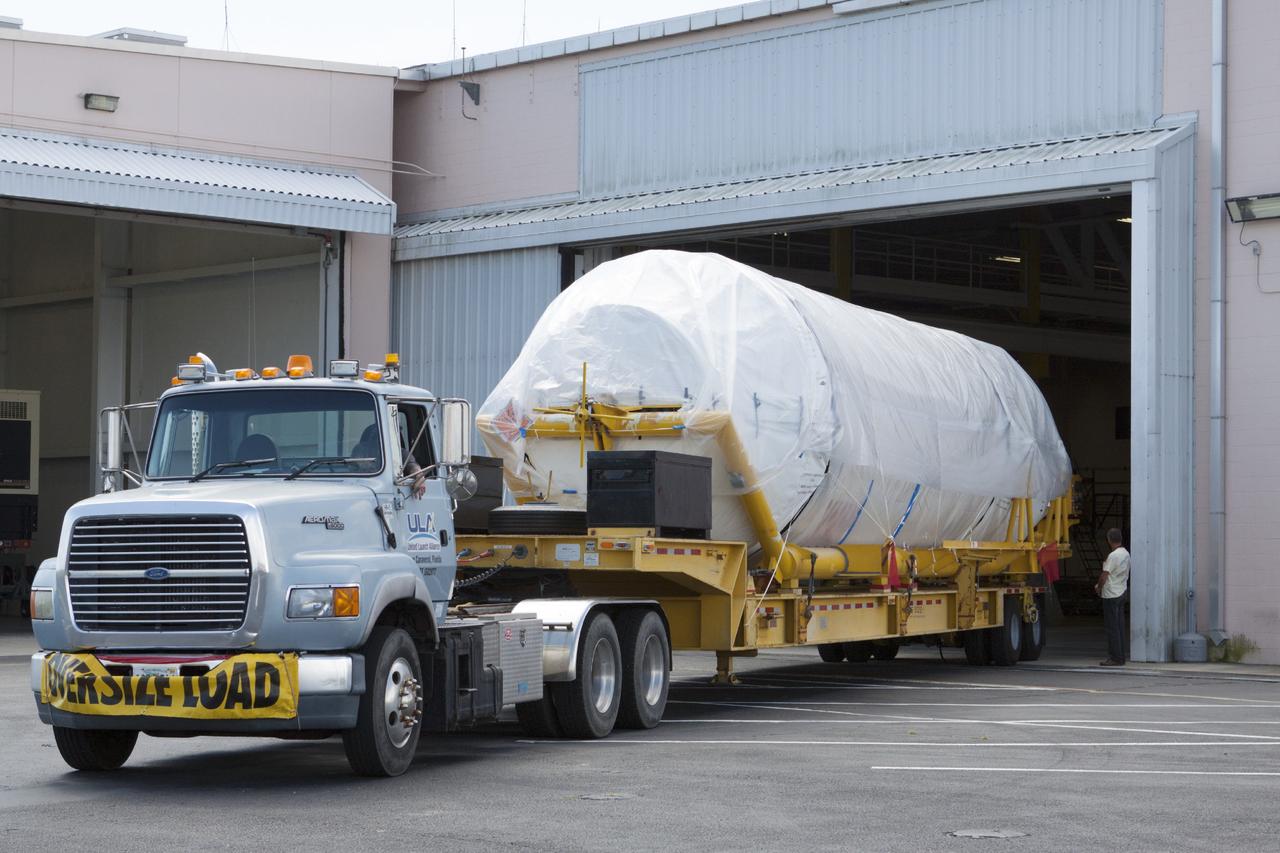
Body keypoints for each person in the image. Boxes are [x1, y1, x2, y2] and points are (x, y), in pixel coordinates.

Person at [1095, 527, 1130, 666]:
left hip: (1110, 594)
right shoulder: (1126, 554)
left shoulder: (1113, 556)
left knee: (1112, 628)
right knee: (1119, 627)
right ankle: (1121, 656)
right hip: (1121, 592)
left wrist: (1099, 587)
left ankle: (1115, 658)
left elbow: (1104, 575)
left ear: (1109, 540)